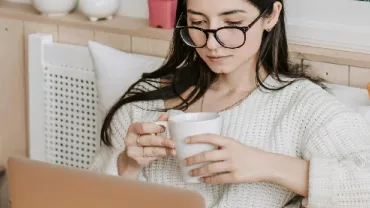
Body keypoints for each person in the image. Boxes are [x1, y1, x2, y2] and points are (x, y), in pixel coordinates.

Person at [89, 0, 370, 207]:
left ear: (271, 15)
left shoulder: (302, 107)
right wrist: (126, 166)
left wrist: (268, 165)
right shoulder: (144, 103)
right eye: (198, 23)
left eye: (233, 24)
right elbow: (87, 197)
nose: (212, 43)